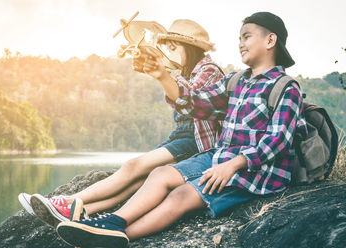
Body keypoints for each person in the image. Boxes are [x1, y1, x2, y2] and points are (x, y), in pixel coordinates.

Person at [55, 11, 309, 248]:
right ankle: (114, 222)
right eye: (239, 38)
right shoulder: (236, 81)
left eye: (246, 37)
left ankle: (113, 238)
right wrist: (162, 76)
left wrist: (233, 165)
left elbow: (277, 142)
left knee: (182, 196)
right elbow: (197, 103)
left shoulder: (286, 87)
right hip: (220, 157)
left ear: (270, 40)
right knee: (160, 174)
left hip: (255, 171)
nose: (240, 44)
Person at [18, 19, 225, 228]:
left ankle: (67, 202)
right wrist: (157, 70)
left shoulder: (210, 70)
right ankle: (82, 210)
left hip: (197, 142)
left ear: (190, 48)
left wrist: (163, 74)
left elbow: (189, 96)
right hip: (182, 135)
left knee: (134, 166)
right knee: (138, 180)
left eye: (173, 47)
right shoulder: (184, 72)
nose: (169, 52)